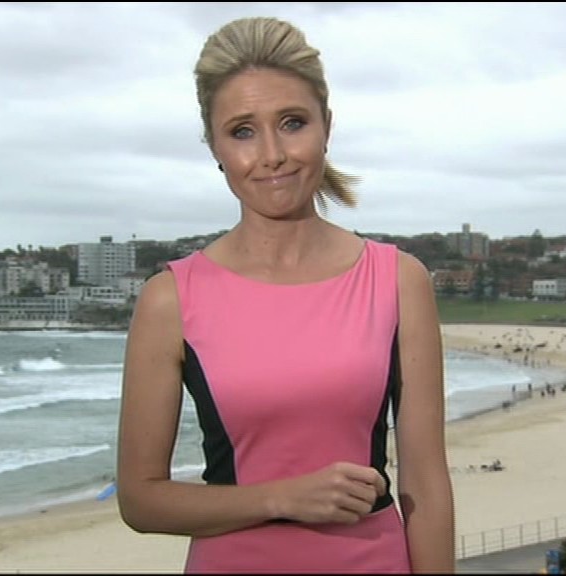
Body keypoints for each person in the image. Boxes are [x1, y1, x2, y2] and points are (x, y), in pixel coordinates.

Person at [116, 16, 454, 574]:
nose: (272, 154)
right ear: (215, 146)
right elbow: (140, 499)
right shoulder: (170, 300)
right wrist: (280, 498)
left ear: (327, 126)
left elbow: (426, 483)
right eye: (243, 132)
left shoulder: (398, 280)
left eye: (292, 123)